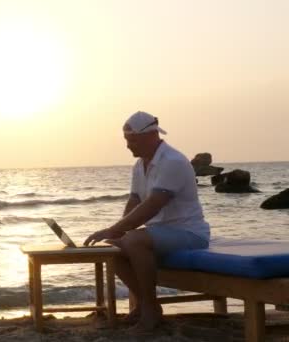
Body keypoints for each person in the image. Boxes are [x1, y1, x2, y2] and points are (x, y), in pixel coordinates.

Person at [84, 111, 210, 332]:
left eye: (132, 140)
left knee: (133, 241)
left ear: (151, 135)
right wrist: (115, 233)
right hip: (161, 233)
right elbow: (135, 201)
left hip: (189, 233)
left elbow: (153, 204)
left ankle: (151, 311)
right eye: (126, 140)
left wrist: (114, 229)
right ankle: (145, 304)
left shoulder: (173, 161)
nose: (128, 146)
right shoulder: (139, 166)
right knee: (113, 247)